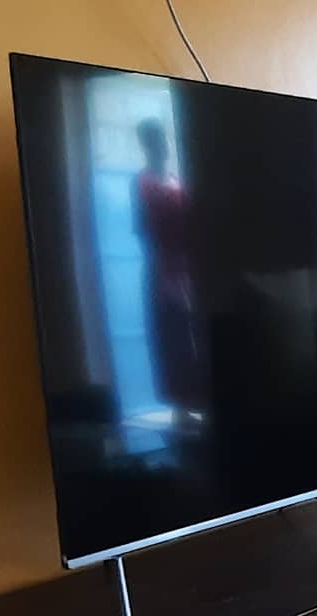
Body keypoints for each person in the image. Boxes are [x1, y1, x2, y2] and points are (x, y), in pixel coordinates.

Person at [134, 119, 201, 417]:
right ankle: (181, 406)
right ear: (146, 145)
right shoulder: (143, 183)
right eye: (153, 141)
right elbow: (144, 228)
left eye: (162, 140)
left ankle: (198, 402)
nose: (161, 147)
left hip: (190, 271)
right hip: (163, 271)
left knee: (193, 337)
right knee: (172, 340)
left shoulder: (177, 180)